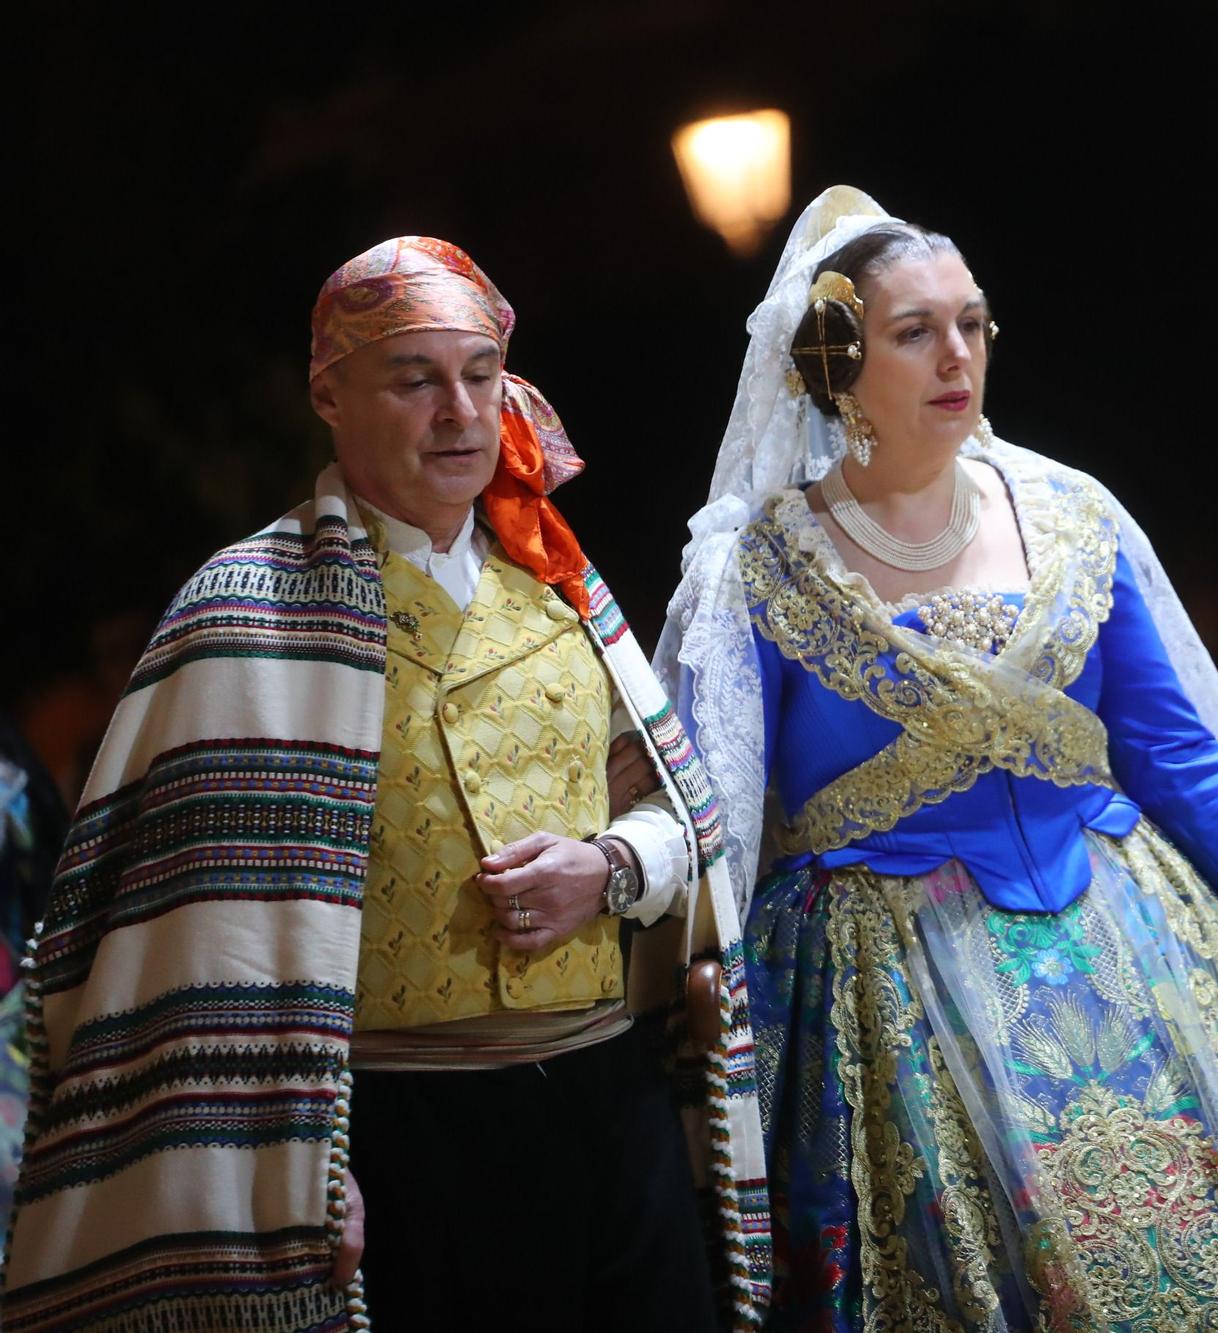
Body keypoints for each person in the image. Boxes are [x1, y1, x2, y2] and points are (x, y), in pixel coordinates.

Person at [658, 186, 1218, 1331]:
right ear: (834, 356)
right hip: (894, 982)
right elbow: (717, 811)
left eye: (972, 324)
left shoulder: (1072, 515)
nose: (956, 356)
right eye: (914, 331)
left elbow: (1175, 749)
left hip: (1135, 949)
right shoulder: (763, 566)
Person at [4, 238, 767, 1331]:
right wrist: (288, 1160)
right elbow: (186, 935)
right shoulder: (247, 611)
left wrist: (606, 868)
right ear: (329, 393)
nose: (458, 410)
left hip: (609, 1099)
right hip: (394, 1125)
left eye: (477, 374)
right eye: (416, 379)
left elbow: (677, 810)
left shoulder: (559, 590)